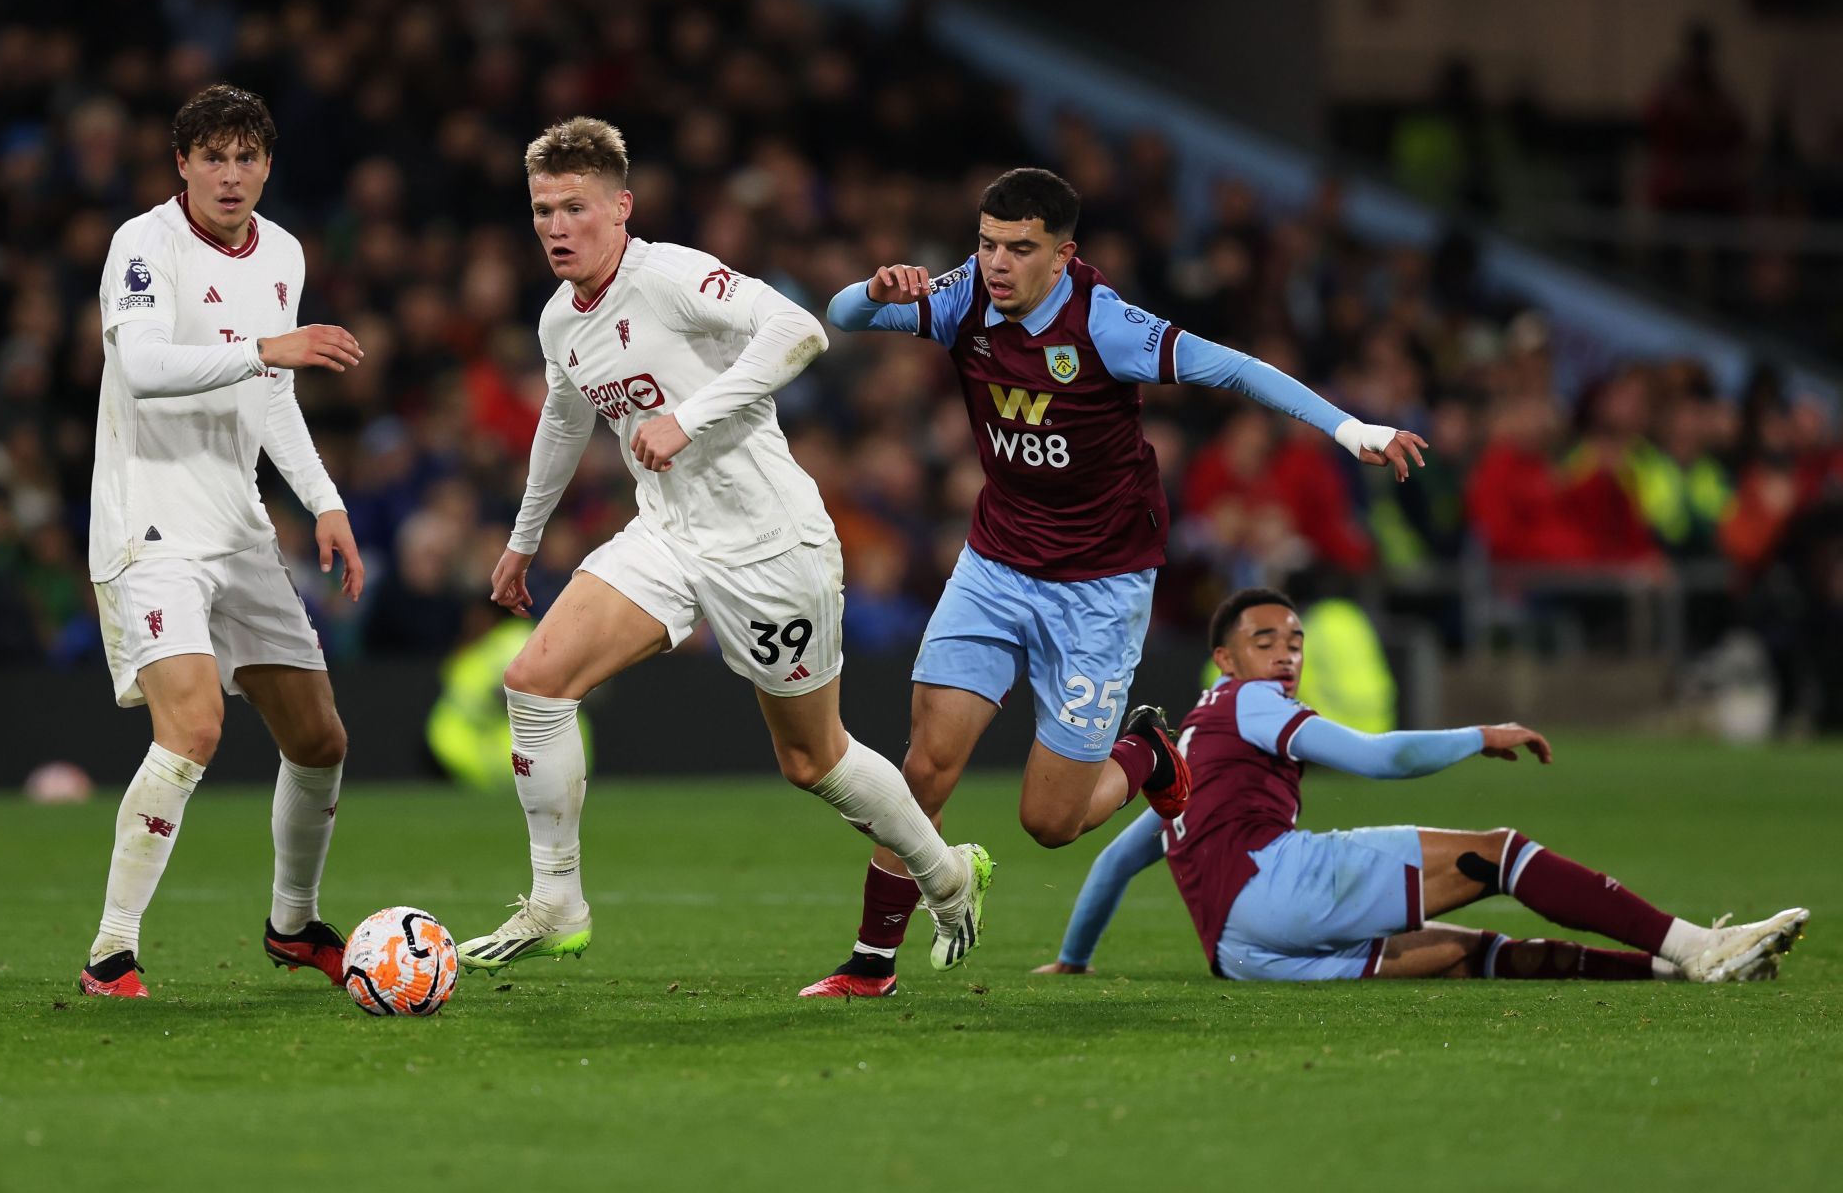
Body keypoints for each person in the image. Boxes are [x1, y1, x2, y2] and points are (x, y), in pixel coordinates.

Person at [801, 168, 1427, 997]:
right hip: (994, 565)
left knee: (1050, 822)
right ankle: (872, 962)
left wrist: (1350, 430)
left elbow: (1235, 369)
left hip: (1100, 588)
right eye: (987, 243)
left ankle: (1149, 753)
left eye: (1019, 249)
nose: (996, 264)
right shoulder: (961, 297)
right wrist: (873, 288)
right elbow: (842, 317)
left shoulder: (1105, 323)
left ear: (1063, 257)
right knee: (926, 764)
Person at [454, 118, 989, 978]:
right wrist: (523, 541)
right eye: (543, 210)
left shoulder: (668, 275)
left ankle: (948, 873)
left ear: (621, 207)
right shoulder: (561, 320)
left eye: (576, 208)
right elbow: (563, 417)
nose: (557, 227)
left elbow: (799, 330)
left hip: (771, 544)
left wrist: (688, 417)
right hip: (668, 534)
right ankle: (557, 902)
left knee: (812, 759)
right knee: (535, 681)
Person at [1034, 588, 1808, 983]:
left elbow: (1117, 858)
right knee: (1499, 855)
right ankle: (1698, 944)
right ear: (1225, 659)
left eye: (1295, 641)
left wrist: (1073, 959)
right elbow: (1375, 758)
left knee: (1468, 955)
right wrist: (1478, 734)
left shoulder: (1191, 744)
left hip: (1240, 951)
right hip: (1280, 890)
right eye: (1263, 641)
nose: (1287, 654)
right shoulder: (1252, 703)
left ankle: (1670, 970)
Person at [79, 84, 369, 999]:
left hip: (237, 524)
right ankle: (111, 949)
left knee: (320, 738)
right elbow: (142, 365)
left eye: (247, 157)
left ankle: (293, 924)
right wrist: (264, 349)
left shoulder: (280, 251)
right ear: (182, 164)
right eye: (214, 157)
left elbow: (267, 393)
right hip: (151, 520)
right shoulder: (143, 244)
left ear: (268, 164)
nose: (231, 175)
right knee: (195, 726)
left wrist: (324, 500)